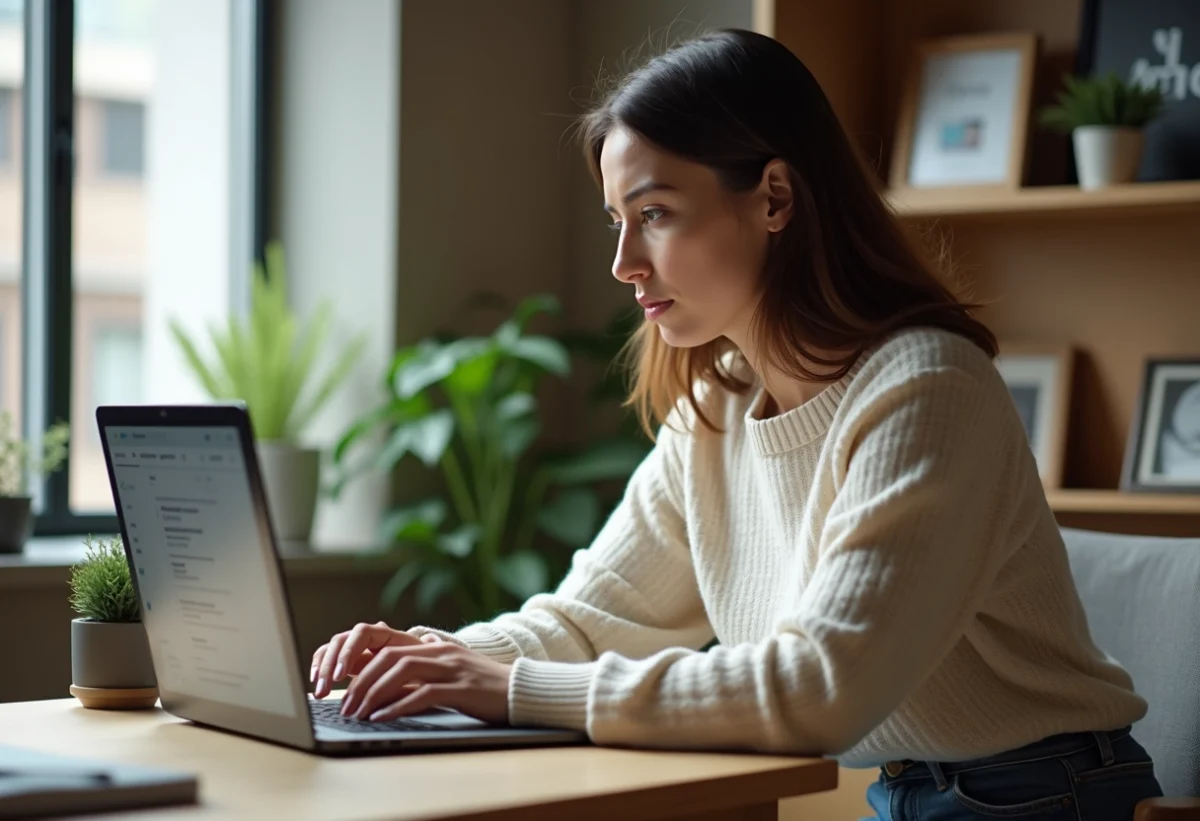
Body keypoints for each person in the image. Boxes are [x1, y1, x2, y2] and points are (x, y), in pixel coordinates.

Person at [311, 29, 1162, 820]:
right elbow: (590, 621)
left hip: (1052, 795)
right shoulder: (716, 407)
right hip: (910, 791)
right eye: (617, 221)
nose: (623, 264)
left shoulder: (929, 389)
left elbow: (817, 688)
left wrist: (503, 686)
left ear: (775, 199)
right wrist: (425, 659)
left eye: (654, 214)